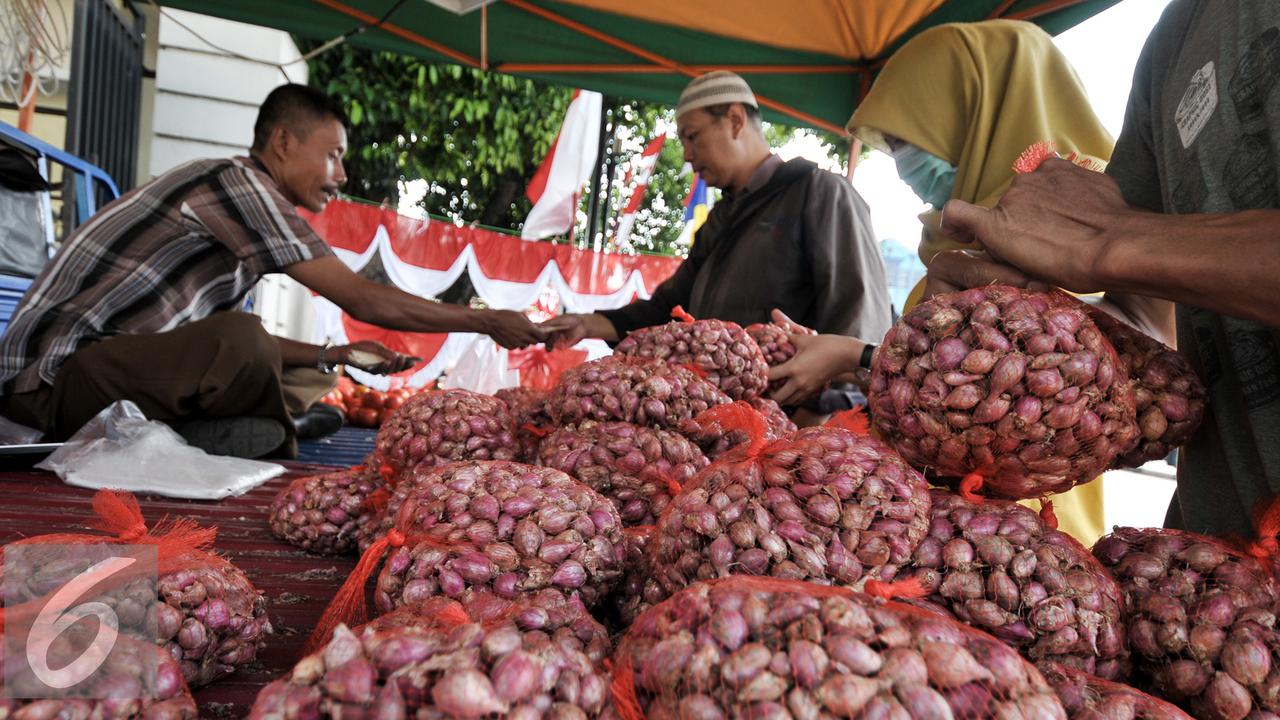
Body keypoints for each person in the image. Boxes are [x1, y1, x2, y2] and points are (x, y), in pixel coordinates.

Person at [0, 83, 546, 459]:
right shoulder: (236, 184)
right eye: (332, 155)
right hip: (47, 385)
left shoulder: (245, 199)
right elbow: (361, 299)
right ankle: (245, 430)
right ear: (283, 143)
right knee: (243, 338)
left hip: (109, 373)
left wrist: (336, 355)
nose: (341, 174)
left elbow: (200, 341)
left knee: (313, 369)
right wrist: (485, 320)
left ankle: (234, 428)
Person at [928, 0, 1280, 539]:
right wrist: (1023, 334)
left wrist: (1111, 238)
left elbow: (1121, 243)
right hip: (1216, 557)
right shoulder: (1177, 34)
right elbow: (1147, 317)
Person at [769, 20, 1130, 544]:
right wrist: (853, 358)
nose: (903, 166)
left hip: (1023, 536)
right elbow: (953, 389)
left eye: (906, 141)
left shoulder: (1078, 226)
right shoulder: (955, 235)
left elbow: (1014, 403)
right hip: (942, 530)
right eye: (894, 147)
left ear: (975, 113)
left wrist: (855, 356)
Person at [541, 71, 892, 377]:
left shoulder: (821, 193)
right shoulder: (721, 217)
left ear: (735, 120)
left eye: (692, 136)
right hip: (726, 420)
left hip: (799, 423)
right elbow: (669, 309)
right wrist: (585, 324)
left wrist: (824, 407)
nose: (687, 155)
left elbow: (860, 322)